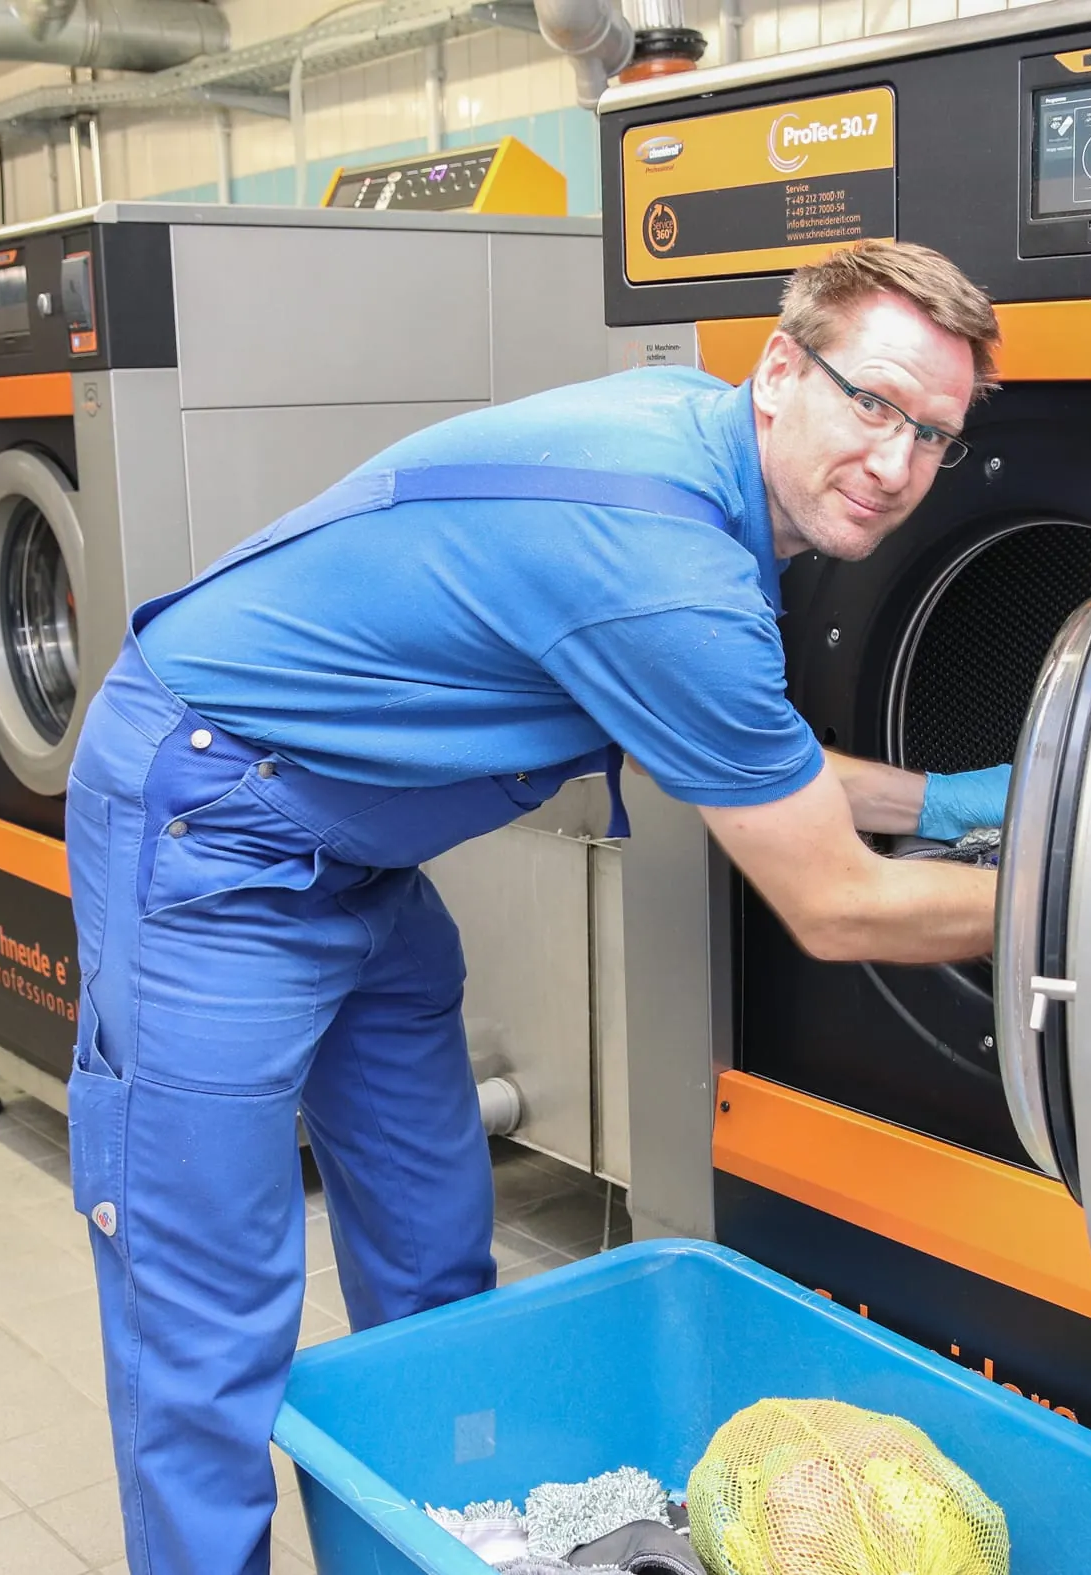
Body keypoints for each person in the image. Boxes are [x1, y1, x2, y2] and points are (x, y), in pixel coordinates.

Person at [64, 240, 1012, 1574]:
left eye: (933, 434)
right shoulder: (668, 562)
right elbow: (836, 904)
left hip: (359, 854)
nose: (897, 461)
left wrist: (951, 803)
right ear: (779, 371)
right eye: (873, 402)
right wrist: (1068, 909)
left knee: (433, 1255)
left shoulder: (698, 456)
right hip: (212, 827)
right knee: (206, 1311)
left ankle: (421, 1545)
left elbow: (739, 759)